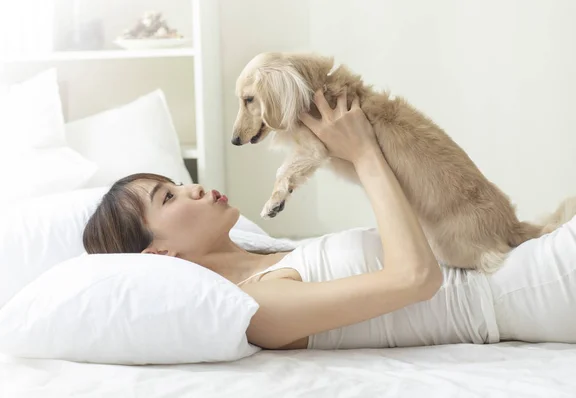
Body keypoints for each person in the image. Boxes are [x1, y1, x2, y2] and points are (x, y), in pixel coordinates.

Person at [83, 90, 576, 351]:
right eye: (169, 196)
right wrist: (361, 153)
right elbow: (416, 278)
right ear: (160, 253)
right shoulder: (259, 308)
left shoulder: (275, 253)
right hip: (538, 287)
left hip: (528, 263)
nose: (191, 186)